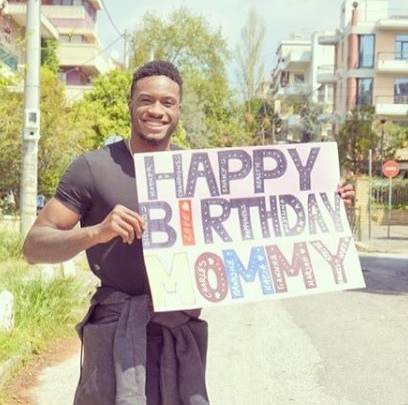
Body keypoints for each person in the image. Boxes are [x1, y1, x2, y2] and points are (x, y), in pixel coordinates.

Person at [22, 60, 356, 405]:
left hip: (179, 337)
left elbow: (262, 219)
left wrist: (321, 202)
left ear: (178, 109)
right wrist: (96, 232)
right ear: (130, 104)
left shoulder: (198, 176)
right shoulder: (93, 167)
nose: (157, 110)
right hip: (114, 336)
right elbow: (33, 246)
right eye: (146, 100)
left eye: (167, 102)